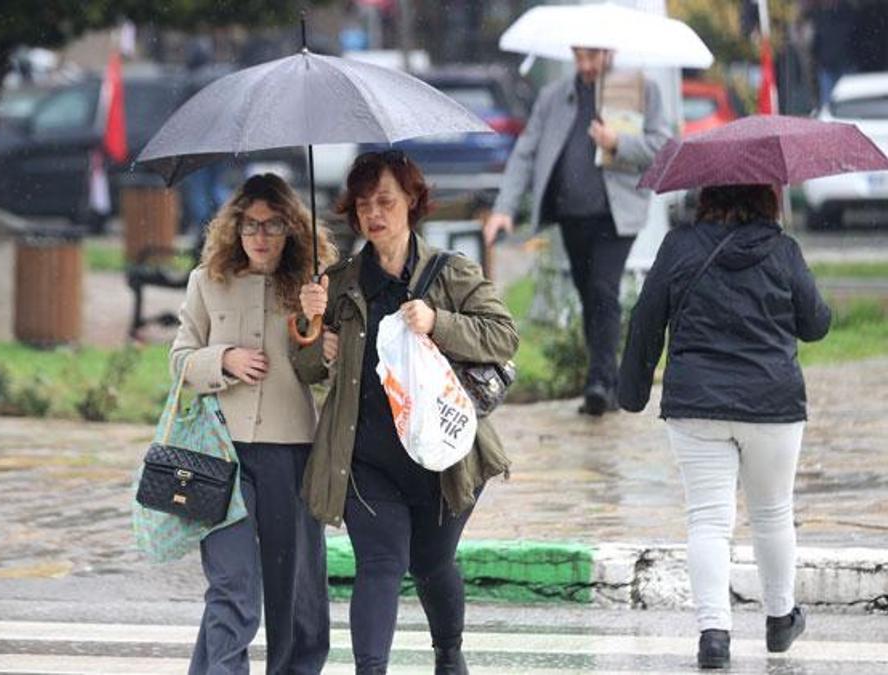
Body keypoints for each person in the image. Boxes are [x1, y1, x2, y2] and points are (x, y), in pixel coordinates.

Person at [296, 151, 518, 674]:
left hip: (445, 455)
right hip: (366, 460)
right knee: (380, 564)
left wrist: (438, 321)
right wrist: (310, 332)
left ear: (412, 203)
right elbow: (307, 370)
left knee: (431, 563)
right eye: (364, 204)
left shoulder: (451, 272)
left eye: (387, 201)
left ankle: (449, 653)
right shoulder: (340, 283)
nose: (375, 213)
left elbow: (504, 335)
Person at [618, 185, 829, 670]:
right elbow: (815, 324)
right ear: (767, 197)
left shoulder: (678, 246)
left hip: (696, 404)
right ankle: (780, 620)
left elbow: (646, 317)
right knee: (773, 512)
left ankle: (714, 636)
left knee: (708, 519)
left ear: (705, 194)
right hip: (772, 403)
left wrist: (631, 392)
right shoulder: (783, 249)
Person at [170, 173, 336, 675]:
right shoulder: (207, 281)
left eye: (274, 225)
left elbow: (333, 374)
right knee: (232, 586)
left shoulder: (317, 285)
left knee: (296, 590)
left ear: (292, 229)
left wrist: (319, 328)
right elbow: (178, 360)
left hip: (292, 452)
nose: (260, 236)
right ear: (234, 229)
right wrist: (223, 360)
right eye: (250, 225)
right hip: (221, 454)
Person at [479, 47, 671, 415]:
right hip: (572, 214)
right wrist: (504, 209)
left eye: (593, 56)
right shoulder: (554, 96)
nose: (585, 65)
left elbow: (661, 146)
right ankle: (605, 382)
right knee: (590, 295)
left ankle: (600, 382)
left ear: (610, 51)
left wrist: (618, 143)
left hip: (617, 215)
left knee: (603, 289)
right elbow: (526, 151)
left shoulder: (639, 90)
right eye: (579, 56)